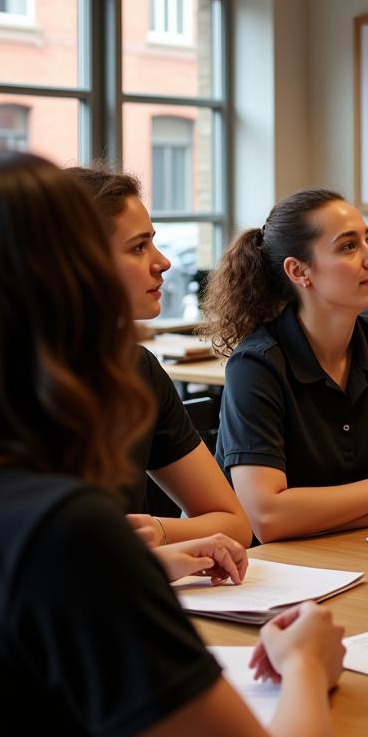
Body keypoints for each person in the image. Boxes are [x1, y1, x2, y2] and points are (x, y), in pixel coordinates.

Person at [0, 151, 345, 737]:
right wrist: (305, 661)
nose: (162, 264)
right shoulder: (56, 532)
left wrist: (136, 558)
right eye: (134, 248)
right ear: (59, 282)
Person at [205, 188, 368, 543]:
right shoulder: (256, 364)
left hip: (348, 553)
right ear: (299, 271)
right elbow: (267, 518)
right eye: (348, 246)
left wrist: (313, 516)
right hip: (259, 571)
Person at [68, 166, 251, 549]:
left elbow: (234, 523)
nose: (163, 262)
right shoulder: (5, 383)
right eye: (138, 247)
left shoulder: (138, 370)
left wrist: (158, 532)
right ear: (81, 263)